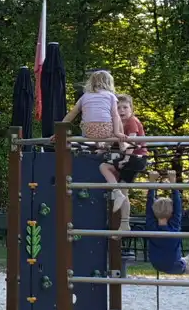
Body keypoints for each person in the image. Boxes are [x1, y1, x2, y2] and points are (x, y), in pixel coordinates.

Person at [64, 69, 129, 213]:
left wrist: (60, 128)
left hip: (88, 132)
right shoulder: (111, 96)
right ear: (108, 83)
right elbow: (115, 116)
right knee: (111, 125)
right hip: (106, 131)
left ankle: (100, 146)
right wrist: (118, 133)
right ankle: (116, 144)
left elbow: (72, 113)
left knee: (87, 124)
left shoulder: (85, 96)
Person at [146, 196, 189, 276]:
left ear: (153, 211)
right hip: (174, 265)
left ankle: (187, 258)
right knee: (182, 264)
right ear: (172, 213)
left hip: (156, 264)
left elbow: (149, 209)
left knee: (175, 259)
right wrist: (174, 187)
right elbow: (178, 209)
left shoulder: (151, 228)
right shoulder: (174, 228)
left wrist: (151, 186)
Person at [117, 94, 150, 184]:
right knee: (105, 167)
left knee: (123, 186)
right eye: (118, 108)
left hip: (137, 157)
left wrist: (126, 159)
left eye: (125, 107)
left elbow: (131, 142)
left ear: (131, 109)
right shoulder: (118, 123)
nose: (121, 110)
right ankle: (116, 193)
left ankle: (117, 192)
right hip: (128, 156)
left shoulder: (132, 121)